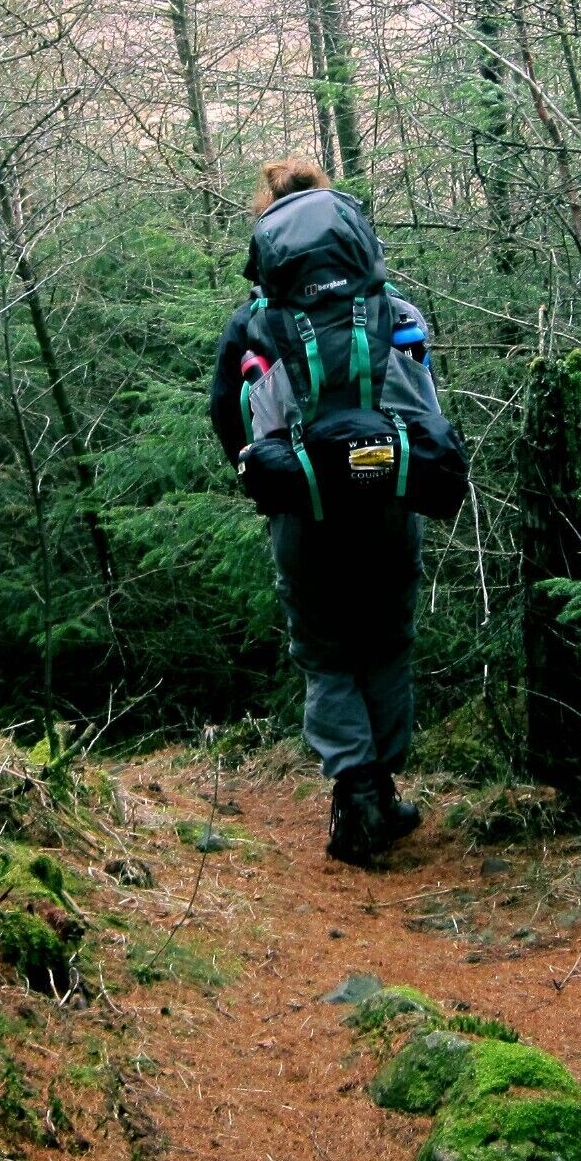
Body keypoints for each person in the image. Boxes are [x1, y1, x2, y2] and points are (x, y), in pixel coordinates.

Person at [208, 159, 453, 864]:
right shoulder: (391, 309)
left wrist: (260, 477)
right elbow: (422, 403)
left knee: (324, 652)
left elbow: (226, 410)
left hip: (303, 509)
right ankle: (382, 788)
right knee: (384, 640)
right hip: (387, 500)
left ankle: (357, 799)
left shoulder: (256, 322)